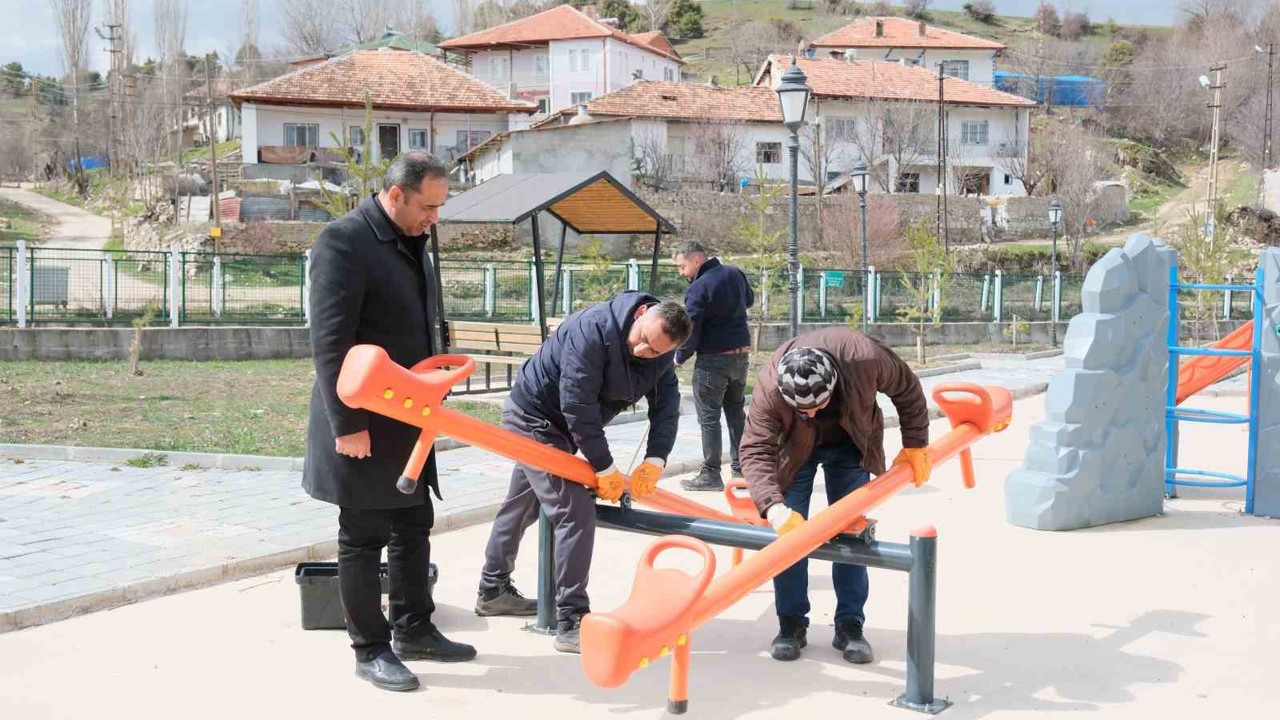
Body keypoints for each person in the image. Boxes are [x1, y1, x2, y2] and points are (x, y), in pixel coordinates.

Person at [303, 152, 475, 693]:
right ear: (395, 195)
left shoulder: (412, 239)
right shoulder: (344, 241)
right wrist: (347, 423)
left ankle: (415, 628)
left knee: (413, 524)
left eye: (440, 207)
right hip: (364, 419)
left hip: (409, 416)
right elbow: (331, 343)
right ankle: (370, 648)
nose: (435, 218)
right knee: (362, 535)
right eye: (428, 206)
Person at [475, 292, 691, 653]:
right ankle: (571, 618)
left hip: (564, 428)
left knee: (523, 504)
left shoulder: (661, 355)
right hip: (533, 418)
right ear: (640, 313)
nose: (643, 352)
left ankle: (492, 589)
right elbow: (576, 403)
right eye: (643, 340)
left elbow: (667, 406)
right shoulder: (592, 329)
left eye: (655, 351)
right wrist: (604, 466)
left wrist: (656, 458)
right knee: (574, 509)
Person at [739, 328, 932, 665]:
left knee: (851, 533)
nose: (811, 413)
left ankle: (850, 626)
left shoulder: (864, 359)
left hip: (850, 441)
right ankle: (791, 624)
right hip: (795, 451)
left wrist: (915, 445)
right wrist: (773, 506)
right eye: (802, 410)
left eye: (818, 406)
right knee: (789, 538)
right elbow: (754, 449)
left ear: (834, 385)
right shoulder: (770, 387)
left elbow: (908, 389)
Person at [671, 241, 755, 492]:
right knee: (735, 414)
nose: (681, 272)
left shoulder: (698, 288)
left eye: (682, 266)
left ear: (696, 260)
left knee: (709, 418)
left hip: (713, 361)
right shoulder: (735, 273)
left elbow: (691, 328)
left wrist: (678, 357)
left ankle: (711, 474)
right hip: (740, 358)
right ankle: (741, 471)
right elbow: (749, 300)